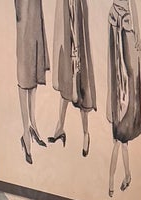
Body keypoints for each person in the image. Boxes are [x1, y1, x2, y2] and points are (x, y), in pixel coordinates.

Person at [105, 0, 141, 197]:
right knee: (121, 141)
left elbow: (132, 5)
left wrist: (135, 29)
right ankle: (121, 178)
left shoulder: (123, 27)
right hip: (121, 104)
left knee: (120, 141)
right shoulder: (115, 23)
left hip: (123, 104)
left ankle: (116, 180)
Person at [51, 0, 95, 156]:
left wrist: (76, 52)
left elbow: (76, 23)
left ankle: (85, 134)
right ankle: (60, 127)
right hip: (68, 47)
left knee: (82, 93)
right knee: (65, 85)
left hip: (77, 50)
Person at [15, 0, 49, 165]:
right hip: (23, 11)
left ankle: (33, 124)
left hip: (35, 8)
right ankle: (25, 133)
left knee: (34, 69)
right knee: (24, 74)